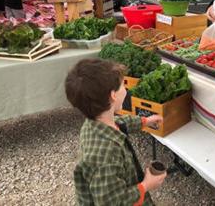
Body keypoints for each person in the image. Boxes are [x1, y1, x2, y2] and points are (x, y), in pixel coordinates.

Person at [65, 58, 166, 205]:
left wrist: (144, 121)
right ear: (113, 95)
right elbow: (112, 202)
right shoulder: (106, 155)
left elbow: (120, 123)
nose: (126, 89)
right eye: (123, 85)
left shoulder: (93, 122)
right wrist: (146, 185)